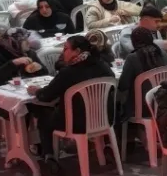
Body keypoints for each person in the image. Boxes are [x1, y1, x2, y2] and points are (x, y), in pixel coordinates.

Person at [27, 36, 115, 169]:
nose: (63, 52)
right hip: (104, 118)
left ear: (77, 51)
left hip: (76, 123)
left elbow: (46, 96)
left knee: (44, 114)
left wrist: (36, 91)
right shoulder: (102, 65)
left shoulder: (68, 72)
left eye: (66, 49)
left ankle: (49, 155)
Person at [117, 27, 167, 122]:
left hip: (142, 107)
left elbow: (123, 85)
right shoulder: (162, 53)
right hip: (164, 102)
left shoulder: (133, 58)